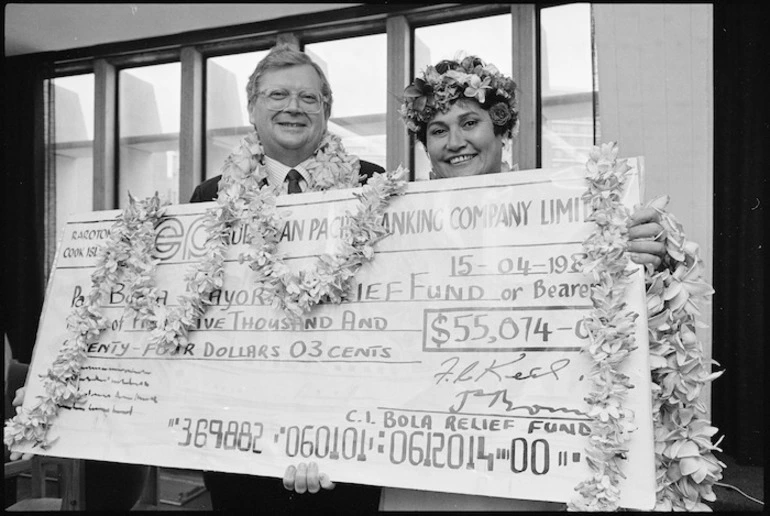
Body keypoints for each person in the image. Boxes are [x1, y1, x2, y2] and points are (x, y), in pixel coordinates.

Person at [378, 55, 668, 511]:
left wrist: (637, 258)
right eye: (438, 130)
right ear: (424, 144)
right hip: (420, 460)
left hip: (529, 459)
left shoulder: (567, 214)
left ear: (500, 129)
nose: (455, 142)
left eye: (469, 122)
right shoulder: (384, 226)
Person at [189, 44, 383, 512]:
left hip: (347, 436)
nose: (293, 107)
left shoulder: (372, 185)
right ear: (252, 108)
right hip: (243, 441)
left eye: (308, 98)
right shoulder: (209, 197)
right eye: (278, 95)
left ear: (326, 111)